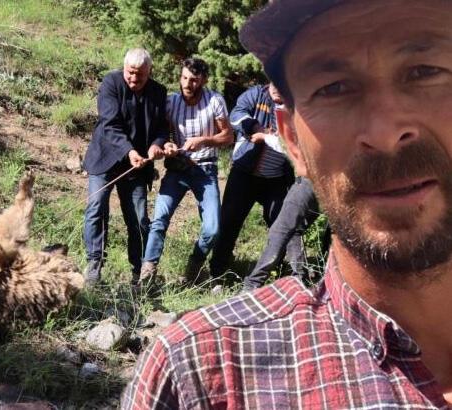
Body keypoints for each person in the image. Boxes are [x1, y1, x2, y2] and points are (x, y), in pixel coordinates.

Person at [123, 0, 452, 408]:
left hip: (266, 176)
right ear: (293, 139)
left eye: (425, 72)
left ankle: (269, 273)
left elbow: (227, 132)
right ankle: (208, 272)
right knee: (225, 225)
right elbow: (238, 125)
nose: (385, 132)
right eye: (333, 88)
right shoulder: (202, 380)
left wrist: (212, 140)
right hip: (237, 174)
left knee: (279, 227)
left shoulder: (217, 103)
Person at [138, 57, 233, 286]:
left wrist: (204, 140)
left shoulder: (215, 101)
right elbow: (164, 134)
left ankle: (193, 268)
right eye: (184, 78)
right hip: (177, 168)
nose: (188, 84)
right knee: (159, 218)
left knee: (212, 227)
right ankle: (147, 274)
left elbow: (228, 136)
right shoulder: (171, 102)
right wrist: (168, 145)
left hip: (205, 169)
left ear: (204, 81)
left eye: (194, 80)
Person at [82, 48, 169, 287]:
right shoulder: (110, 83)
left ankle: (139, 271)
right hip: (105, 159)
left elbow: (163, 128)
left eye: (140, 75)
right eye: (130, 73)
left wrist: (155, 146)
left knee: (139, 218)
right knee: (96, 208)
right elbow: (109, 124)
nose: (134, 79)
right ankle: (94, 265)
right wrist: (129, 151)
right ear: (124, 68)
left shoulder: (159, 92)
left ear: (149, 72)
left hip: (137, 165)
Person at [208, 83, 303, 281]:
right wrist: (254, 127)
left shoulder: (297, 103)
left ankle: (294, 274)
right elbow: (237, 113)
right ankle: (218, 273)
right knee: (229, 222)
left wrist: (274, 137)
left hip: (276, 179)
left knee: (286, 225)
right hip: (244, 174)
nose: (277, 87)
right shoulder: (255, 95)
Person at [242, 176, 321, 291]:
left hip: (312, 180)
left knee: (280, 231)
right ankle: (299, 280)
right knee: (295, 230)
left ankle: (252, 285)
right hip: (332, 188)